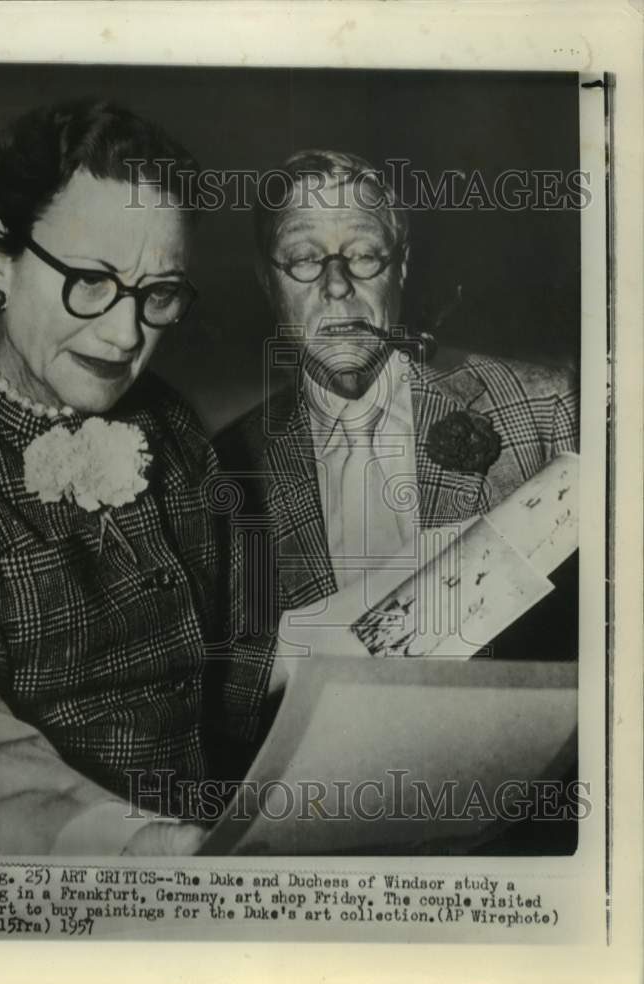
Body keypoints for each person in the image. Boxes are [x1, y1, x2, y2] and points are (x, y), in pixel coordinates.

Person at [0, 98, 230, 854]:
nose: (126, 336)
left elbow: (222, 676)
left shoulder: (175, 430)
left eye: (158, 295)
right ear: (1, 261)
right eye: (90, 280)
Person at [217, 149, 579, 706]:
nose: (336, 285)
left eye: (363, 254)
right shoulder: (225, 466)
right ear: (267, 281)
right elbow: (209, 699)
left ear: (402, 265)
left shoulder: (546, 406)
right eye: (303, 258)